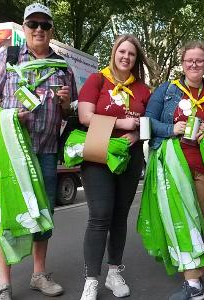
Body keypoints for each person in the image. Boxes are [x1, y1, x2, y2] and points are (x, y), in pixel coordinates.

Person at [0, 3, 78, 299]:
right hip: (11, 152)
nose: (39, 29)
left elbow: (66, 114)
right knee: (7, 213)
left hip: (46, 151)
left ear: (51, 31)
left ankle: (38, 274)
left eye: (44, 25)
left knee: (43, 214)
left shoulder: (62, 67)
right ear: (24, 28)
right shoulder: (7, 58)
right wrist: (9, 116)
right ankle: (4, 282)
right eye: (33, 24)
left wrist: (64, 103)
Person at [143, 40, 204, 300]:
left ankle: (194, 272)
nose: (193, 64)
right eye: (189, 60)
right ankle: (193, 283)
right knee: (183, 218)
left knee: (199, 220)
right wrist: (172, 129)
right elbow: (147, 122)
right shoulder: (167, 90)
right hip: (173, 163)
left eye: (199, 60)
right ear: (182, 63)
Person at [77, 34, 151, 300]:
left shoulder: (142, 89)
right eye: (122, 51)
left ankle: (113, 273)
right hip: (98, 151)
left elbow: (147, 123)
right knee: (100, 214)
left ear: (136, 59)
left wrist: (136, 134)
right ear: (114, 53)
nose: (126, 57)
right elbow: (85, 117)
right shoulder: (97, 80)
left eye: (131, 54)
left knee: (120, 216)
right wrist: (122, 124)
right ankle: (91, 280)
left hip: (130, 158)